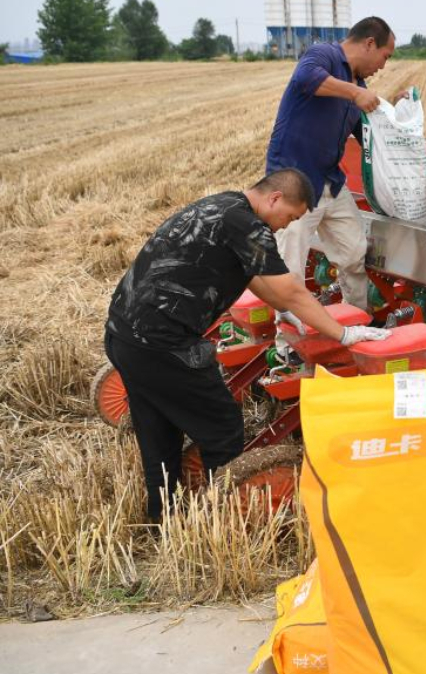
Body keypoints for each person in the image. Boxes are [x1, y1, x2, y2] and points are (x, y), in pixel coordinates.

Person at [104, 169, 391, 522]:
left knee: (159, 433)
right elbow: (291, 289)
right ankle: (225, 520)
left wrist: (286, 312)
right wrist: (343, 334)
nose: (287, 226)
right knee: (223, 428)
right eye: (291, 217)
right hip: (162, 343)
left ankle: (163, 519)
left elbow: (257, 279)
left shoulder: (223, 205)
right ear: (274, 199)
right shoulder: (248, 225)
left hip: (123, 335)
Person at [267, 16, 398, 315]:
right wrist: (354, 93)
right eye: (385, 56)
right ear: (369, 43)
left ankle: (357, 320)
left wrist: (397, 112)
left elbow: (368, 138)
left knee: (353, 251)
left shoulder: (359, 85)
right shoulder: (324, 54)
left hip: (330, 183)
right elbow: (306, 78)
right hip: (293, 183)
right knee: (290, 266)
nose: (383, 66)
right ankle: (290, 346)